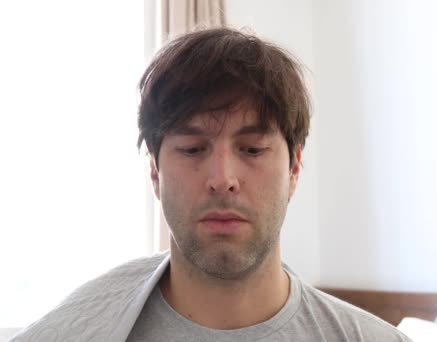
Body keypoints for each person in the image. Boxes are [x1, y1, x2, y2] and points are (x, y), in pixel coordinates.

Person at [11, 28, 411, 342]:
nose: (222, 180)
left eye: (252, 149)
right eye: (191, 149)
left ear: (294, 168)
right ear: (155, 172)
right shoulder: (68, 331)